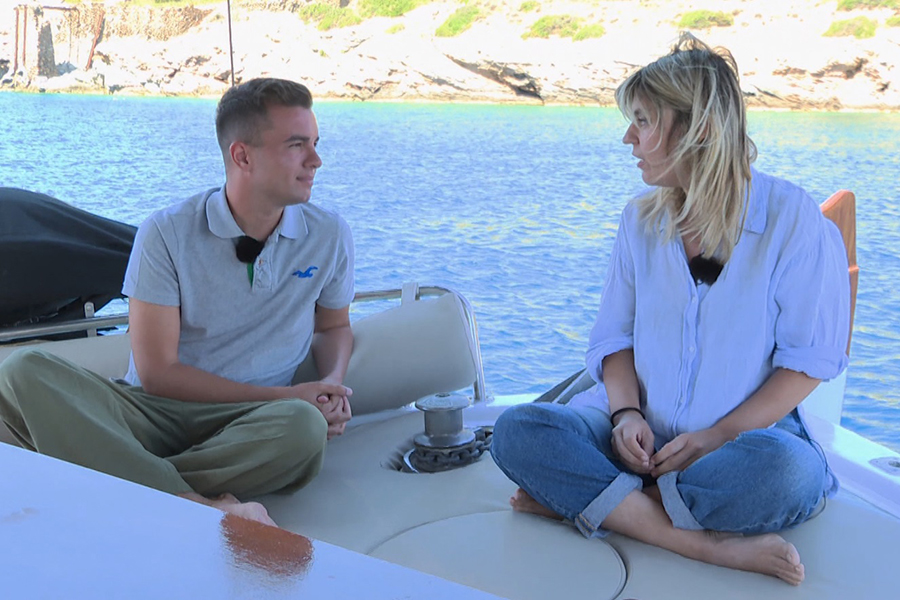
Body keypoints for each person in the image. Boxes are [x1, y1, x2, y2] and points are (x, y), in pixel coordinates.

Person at [490, 34, 850, 586]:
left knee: (786, 473)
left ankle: (598, 503)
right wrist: (626, 417)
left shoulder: (792, 220)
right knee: (518, 430)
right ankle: (698, 543)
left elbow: (806, 364)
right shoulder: (640, 221)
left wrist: (717, 436)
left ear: (697, 130)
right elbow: (615, 341)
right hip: (636, 439)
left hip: (738, 445)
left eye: (643, 121)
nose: (628, 138)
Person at [0, 78, 355, 526]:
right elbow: (158, 374)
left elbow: (333, 327)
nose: (315, 160)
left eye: (315, 144)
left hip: (255, 419)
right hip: (152, 412)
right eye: (297, 145)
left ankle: (124, 475)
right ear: (242, 156)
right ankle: (197, 505)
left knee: (304, 430)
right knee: (21, 370)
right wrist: (286, 394)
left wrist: (331, 384)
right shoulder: (167, 233)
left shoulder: (329, 234)